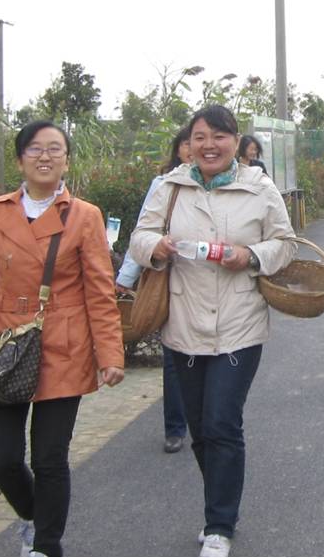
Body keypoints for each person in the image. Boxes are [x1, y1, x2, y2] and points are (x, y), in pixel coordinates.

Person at [0, 121, 125, 557]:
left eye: (54, 149)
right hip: (5, 346)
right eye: (34, 149)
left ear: (66, 159)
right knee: (1, 459)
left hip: (63, 347)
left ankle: (47, 546)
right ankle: (34, 514)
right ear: (19, 159)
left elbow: (99, 292)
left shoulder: (84, 215)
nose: (44, 156)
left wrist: (110, 353)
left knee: (49, 458)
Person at [129, 105, 296, 557]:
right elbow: (139, 238)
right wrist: (157, 248)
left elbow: (286, 243)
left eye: (219, 137)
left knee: (222, 421)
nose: (209, 145)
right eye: (200, 137)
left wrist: (251, 257)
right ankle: (219, 506)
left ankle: (220, 525)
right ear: (191, 141)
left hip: (239, 323)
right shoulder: (171, 186)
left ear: (236, 141)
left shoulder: (259, 188)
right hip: (183, 323)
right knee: (201, 428)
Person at [116, 128, 191, 454]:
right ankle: (175, 427)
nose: (194, 149)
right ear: (178, 149)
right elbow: (142, 234)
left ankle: (205, 419)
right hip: (167, 281)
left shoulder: (228, 186)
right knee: (173, 358)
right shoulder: (163, 185)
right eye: (188, 143)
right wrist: (127, 276)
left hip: (210, 286)